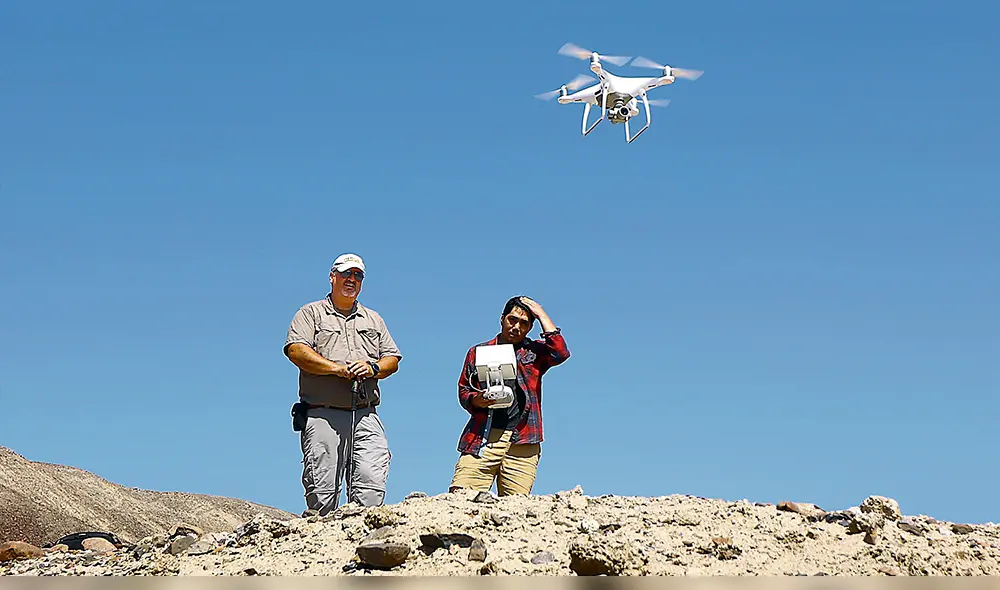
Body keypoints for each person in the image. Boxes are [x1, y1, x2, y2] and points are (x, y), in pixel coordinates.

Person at [283, 253, 402, 516]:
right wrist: (336, 369)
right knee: (322, 495)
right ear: (332, 277)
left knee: (371, 488)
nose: (352, 279)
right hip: (322, 413)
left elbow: (392, 360)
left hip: (365, 413)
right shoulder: (310, 313)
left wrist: (372, 368)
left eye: (358, 275)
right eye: (346, 273)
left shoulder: (373, 319)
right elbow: (296, 351)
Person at [449, 296, 570, 496]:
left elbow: (561, 352)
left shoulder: (535, 352)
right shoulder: (478, 352)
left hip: (523, 440)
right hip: (483, 436)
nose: (516, 327)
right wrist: (478, 400)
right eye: (512, 320)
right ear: (502, 319)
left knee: (515, 508)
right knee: (461, 498)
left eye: (524, 323)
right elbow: (464, 391)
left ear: (530, 327)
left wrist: (540, 313)